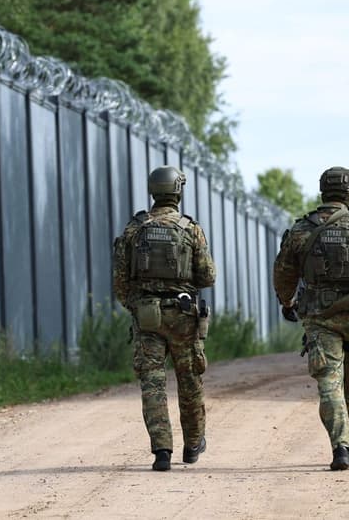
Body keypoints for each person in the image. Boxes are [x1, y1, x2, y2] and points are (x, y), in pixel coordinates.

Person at [272, 166, 349, 471]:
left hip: (319, 318)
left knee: (329, 382)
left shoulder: (301, 230)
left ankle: (341, 445)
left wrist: (287, 301)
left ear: (322, 191)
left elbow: (284, 273)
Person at [112, 165, 216, 472]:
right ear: (178, 191)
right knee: (190, 381)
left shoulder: (135, 229)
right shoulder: (189, 228)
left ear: (153, 190)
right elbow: (208, 275)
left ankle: (162, 451)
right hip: (183, 316)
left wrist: (137, 306)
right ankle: (193, 444)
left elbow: (120, 282)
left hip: (147, 317)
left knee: (153, 384)